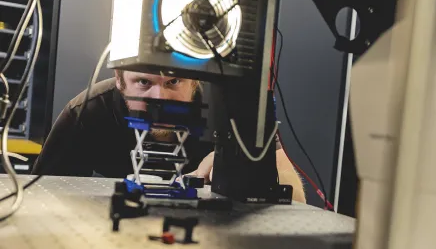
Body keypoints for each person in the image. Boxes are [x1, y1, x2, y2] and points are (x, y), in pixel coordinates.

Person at [32, 70, 306, 202]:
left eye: (174, 81)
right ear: (119, 80)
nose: (159, 99)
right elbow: (40, 198)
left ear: (195, 80)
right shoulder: (88, 110)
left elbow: (297, 198)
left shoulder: (231, 109)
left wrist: (238, 164)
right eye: (144, 82)